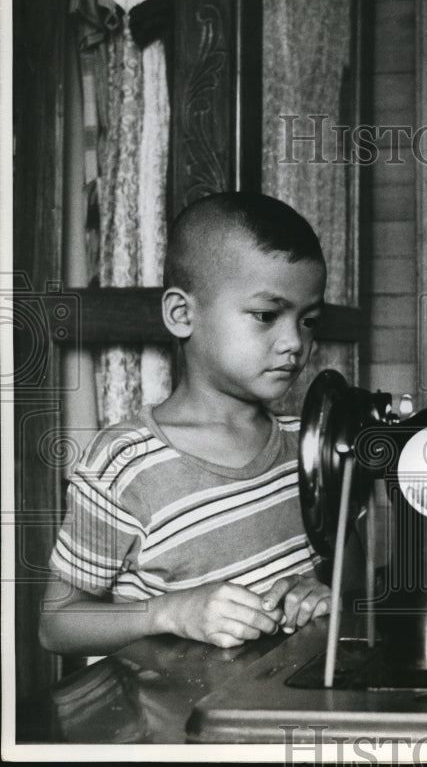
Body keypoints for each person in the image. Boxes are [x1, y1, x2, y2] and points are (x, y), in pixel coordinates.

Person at [40, 192, 332, 655]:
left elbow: (348, 574)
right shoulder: (125, 462)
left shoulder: (309, 443)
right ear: (182, 315)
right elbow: (56, 624)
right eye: (266, 315)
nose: (294, 341)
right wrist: (169, 611)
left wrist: (319, 591)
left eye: (309, 320)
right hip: (172, 723)